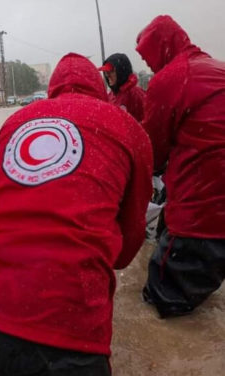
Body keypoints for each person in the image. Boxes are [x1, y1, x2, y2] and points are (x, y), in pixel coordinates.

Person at [0, 53, 153, 376]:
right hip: (61, 345)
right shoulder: (128, 128)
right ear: (97, 87)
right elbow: (127, 247)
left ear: (52, 88)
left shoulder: (15, 122)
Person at [137, 15, 225, 318]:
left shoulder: (171, 78)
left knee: (162, 308)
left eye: (148, 57)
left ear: (160, 49)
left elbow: (152, 150)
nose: (149, 66)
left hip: (200, 218)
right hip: (214, 213)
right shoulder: (218, 69)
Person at [99, 53, 146, 121]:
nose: (107, 75)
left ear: (121, 71)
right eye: (106, 72)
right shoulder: (110, 95)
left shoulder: (135, 94)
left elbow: (147, 121)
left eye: (111, 71)